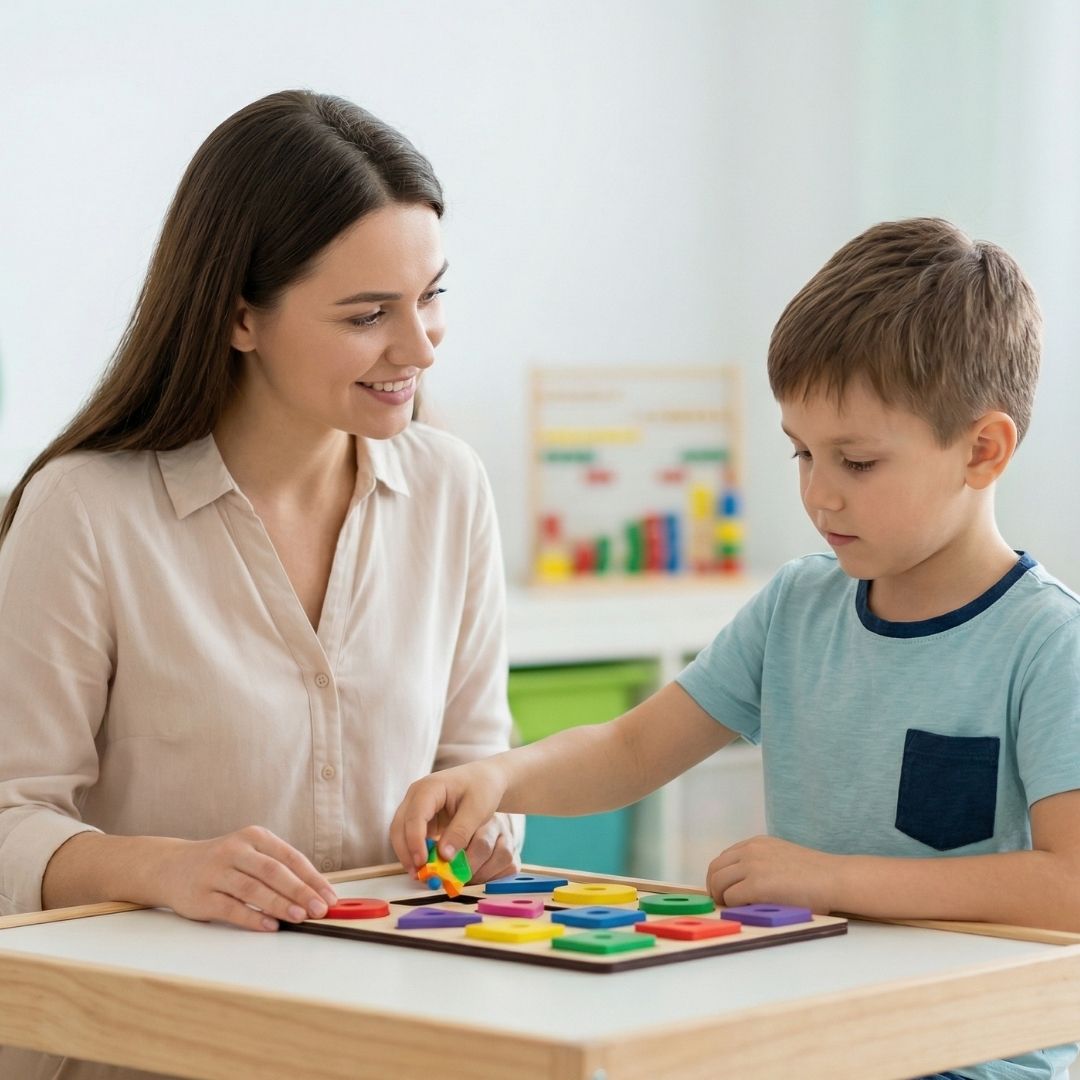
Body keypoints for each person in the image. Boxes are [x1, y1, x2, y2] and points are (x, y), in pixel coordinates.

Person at [391, 218, 1080, 1080]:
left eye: (858, 462)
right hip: (808, 1043)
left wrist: (832, 880)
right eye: (803, 452)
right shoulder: (797, 606)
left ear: (983, 450)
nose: (819, 494)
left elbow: (1070, 887)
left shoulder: (1048, 644)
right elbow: (632, 747)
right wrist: (499, 777)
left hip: (971, 1060)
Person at [0, 89, 521, 1077]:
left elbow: (479, 760)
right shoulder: (86, 510)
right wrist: (166, 869)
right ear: (241, 315)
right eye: (368, 314)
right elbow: (7, 820)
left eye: (431, 296)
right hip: (143, 1047)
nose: (419, 346)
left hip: (380, 1036)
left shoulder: (451, 488)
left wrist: (484, 822)